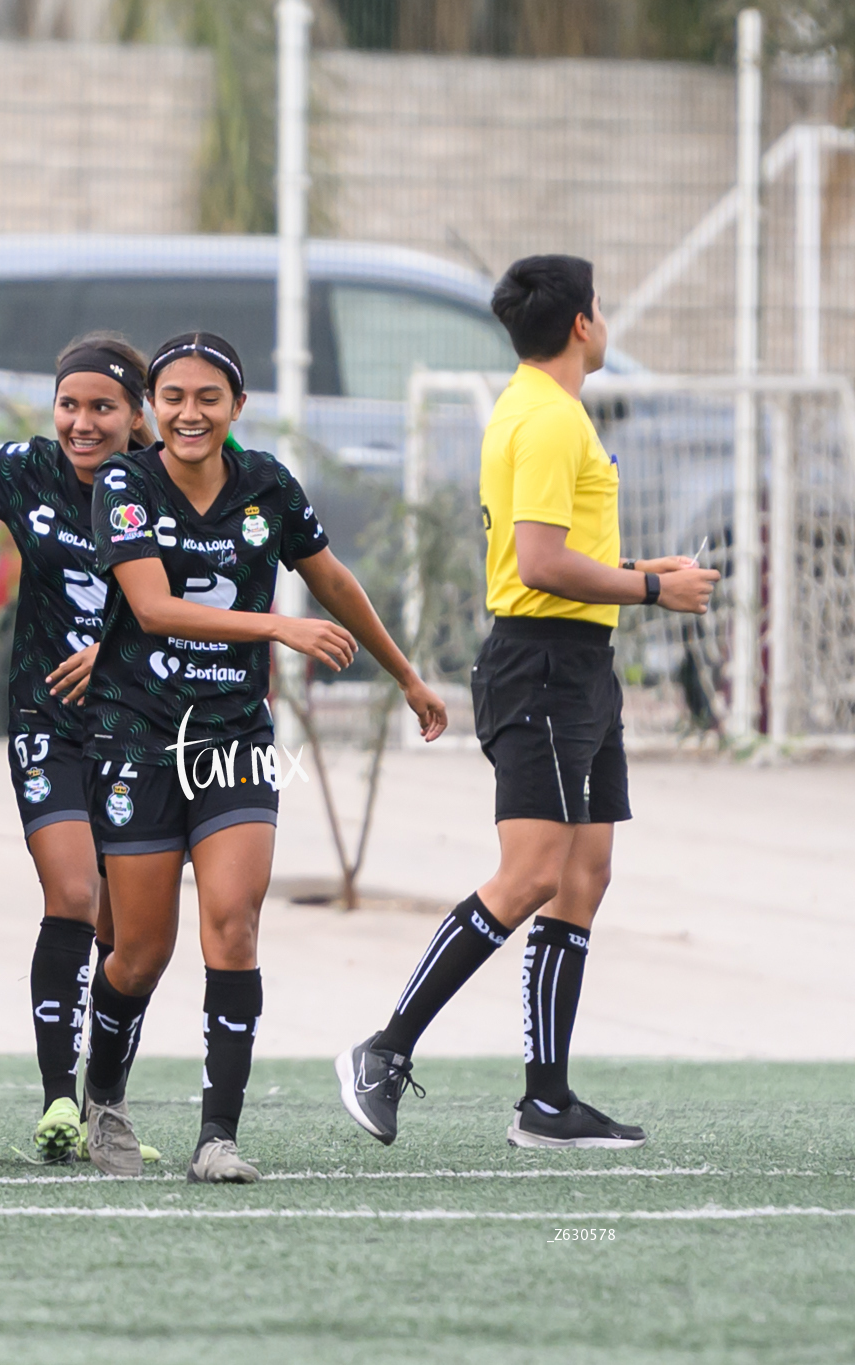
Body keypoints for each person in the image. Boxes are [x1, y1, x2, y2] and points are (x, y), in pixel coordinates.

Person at [337, 256, 717, 1150]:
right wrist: (655, 594)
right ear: (583, 323)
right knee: (533, 874)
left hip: (581, 661)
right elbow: (540, 566)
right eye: (602, 304)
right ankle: (384, 1049)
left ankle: (545, 1101)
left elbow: (548, 558)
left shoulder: (542, 408)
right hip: (540, 665)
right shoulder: (545, 419)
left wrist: (641, 573)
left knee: (584, 876)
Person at [81, 331, 448, 1181]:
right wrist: (275, 625)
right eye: (173, 397)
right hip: (136, 734)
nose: (190, 412)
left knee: (235, 927)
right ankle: (103, 1096)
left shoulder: (267, 486)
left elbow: (335, 581)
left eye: (209, 397)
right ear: (151, 408)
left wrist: (406, 676)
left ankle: (219, 1137)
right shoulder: (126, 485)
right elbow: (154, 606)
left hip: (235, 740)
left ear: (237, 407)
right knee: (139, 951)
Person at [0, 331, 150, 1163]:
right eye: (70, 404)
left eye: (103, 407)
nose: (83, 422)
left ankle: (106, 1103)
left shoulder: (163, 485)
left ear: (135, 416)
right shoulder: (23, 469)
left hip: (142, 728)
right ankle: (59, 1098)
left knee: (131, 933)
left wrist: (118, 652)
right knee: (73, 891)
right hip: (47, 722)